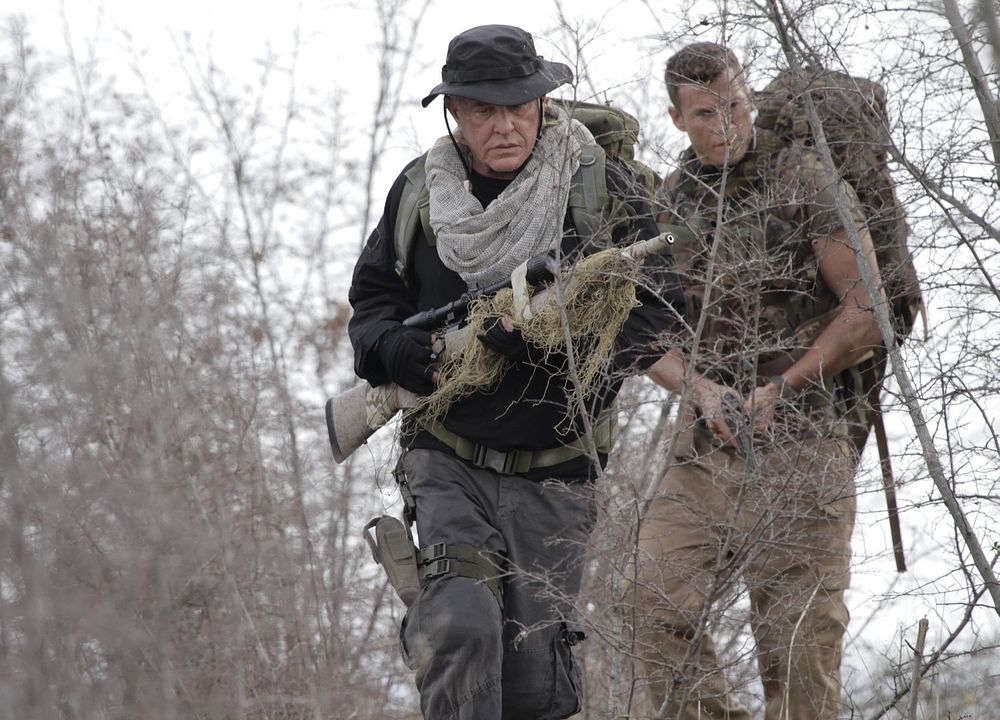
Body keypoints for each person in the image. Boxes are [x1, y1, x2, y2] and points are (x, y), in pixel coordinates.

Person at [346, 24, 682, 720]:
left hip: (554, 466)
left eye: (516, 107)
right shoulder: (420, 192)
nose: (503, 124)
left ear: (540, 104)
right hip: (449, 458)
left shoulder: (598, 187)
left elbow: (660, 313)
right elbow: (374, 302)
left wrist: (557, 356)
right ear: (456, 116)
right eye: (482, 110)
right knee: (460, 626)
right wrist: (396, 349)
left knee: (535, 680)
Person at [634, 43, 886, 719]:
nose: (726, 126)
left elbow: (866, 311)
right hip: (706, 444)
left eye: (737, 106)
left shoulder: (802, 174)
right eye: (706, 114)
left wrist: (785, 387)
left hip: (803, 438)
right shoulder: (671, 201)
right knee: (652, 608)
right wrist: (700, 390)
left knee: (798, 649)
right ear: (676, 118)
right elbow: (641, 336)